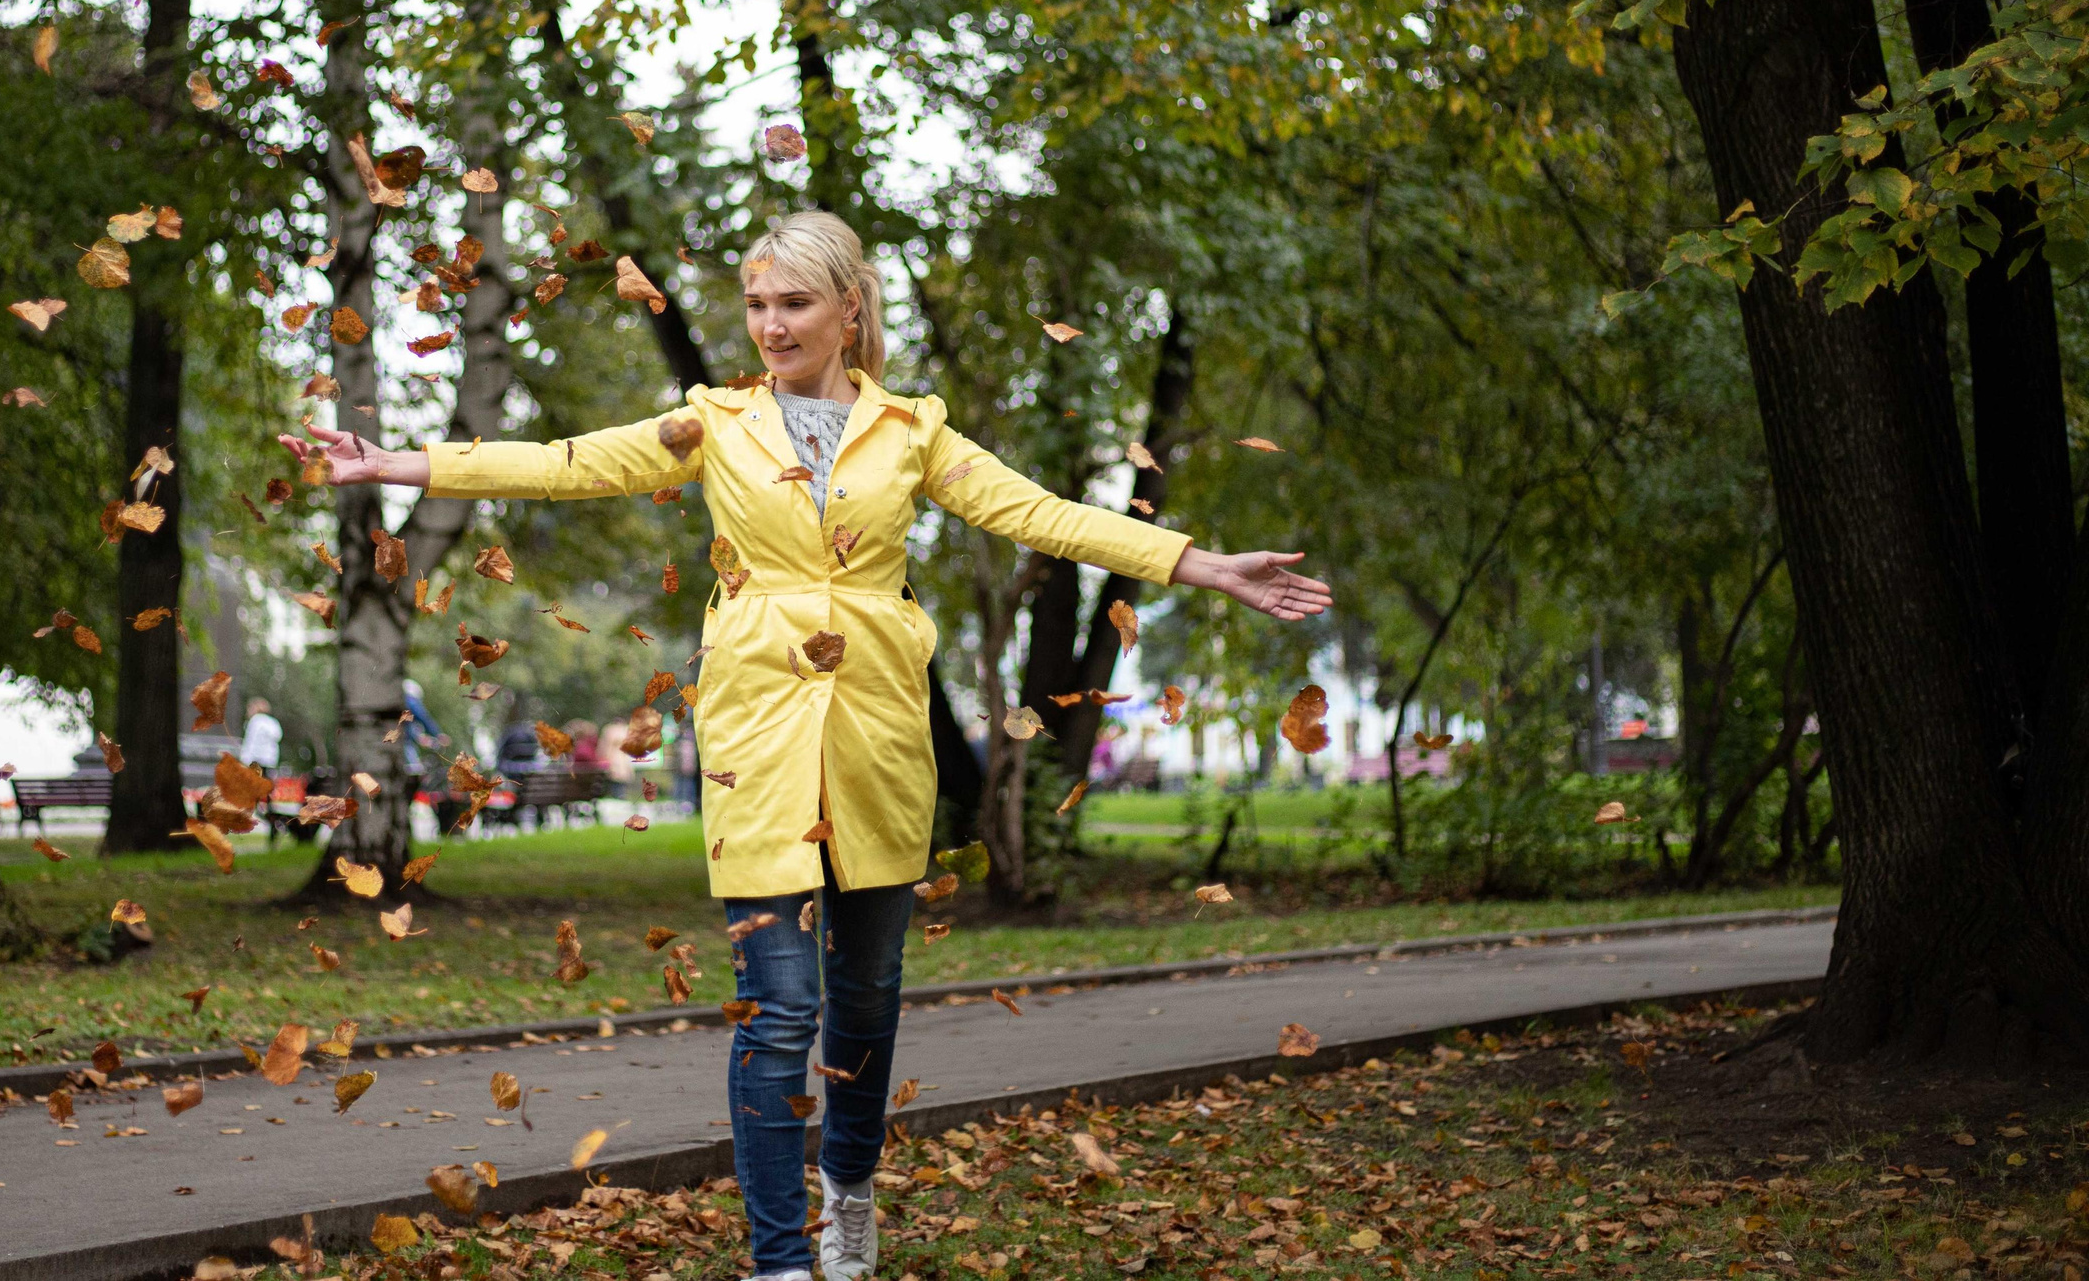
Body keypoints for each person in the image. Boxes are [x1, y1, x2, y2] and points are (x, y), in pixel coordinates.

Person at [282, 210, 1331, 1281]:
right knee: (779, 1008)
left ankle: (850, 1188)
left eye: (794, 304)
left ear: (847, 310)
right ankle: (780, 1261)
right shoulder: (717, 419)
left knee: (866, 998)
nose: (772, 326)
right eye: (757, 304)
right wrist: (396, 465)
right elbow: (567, 462)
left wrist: (1199, 564)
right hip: (756, 733)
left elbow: (1042, 515)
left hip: (878, 733)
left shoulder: (912, 429)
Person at [239, 699, 284, 771]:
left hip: (255, 760)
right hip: (269, 760)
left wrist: (244, 758)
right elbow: (277, 736)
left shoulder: (255, 720)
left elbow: (250, 741)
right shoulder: (273, 722)